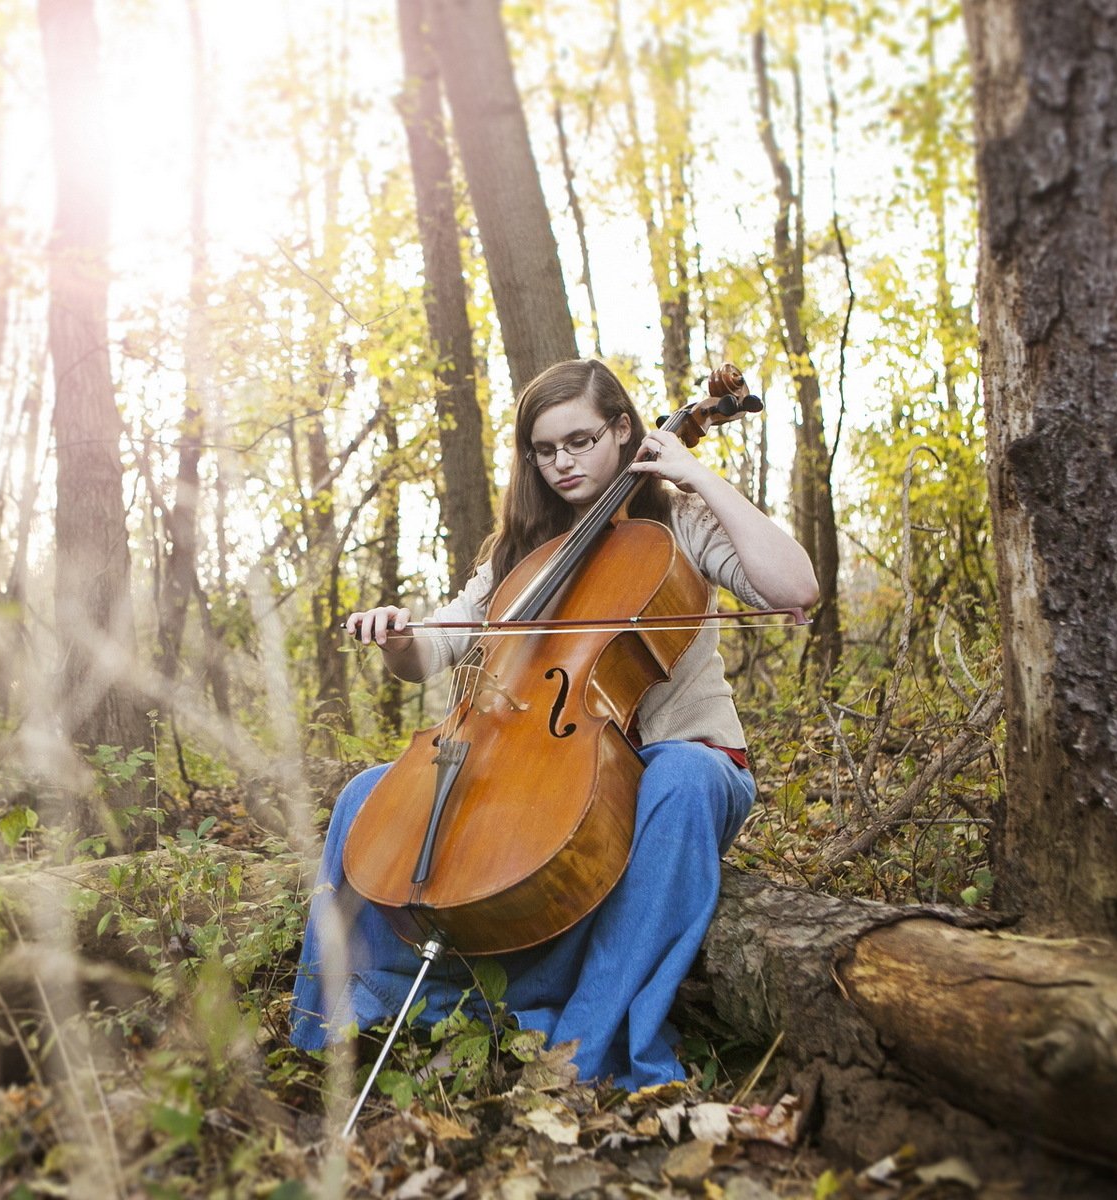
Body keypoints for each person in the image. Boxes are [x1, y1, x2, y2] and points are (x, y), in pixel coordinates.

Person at [290, 358, 819, 1091]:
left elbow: (796, 587)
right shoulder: (522, 555)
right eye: (544, 450)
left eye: (579, 441)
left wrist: (696, 474)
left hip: (677, 768)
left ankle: (587, 1051)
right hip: (550, 765)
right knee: (366, 796)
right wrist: (398, 635)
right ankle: (342, 1017)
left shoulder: (680, 524)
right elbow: (436, 645)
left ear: (624, 430)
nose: (562, 462)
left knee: (682, 774)